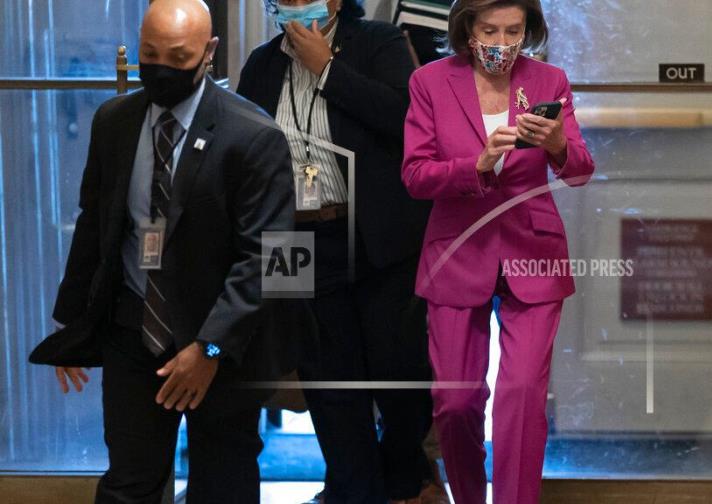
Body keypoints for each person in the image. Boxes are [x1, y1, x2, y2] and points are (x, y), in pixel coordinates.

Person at [32, 0, 299, 502]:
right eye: (148, 54)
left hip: (224, 345)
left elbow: (272, 258)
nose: (160, 68)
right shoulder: (114, 121)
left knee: (222, 485)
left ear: (208, 53)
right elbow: (97, 226)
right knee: (128, 483)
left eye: (177, 57)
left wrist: (209, 348)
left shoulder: (254, 134)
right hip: (135, 332)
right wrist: (73, 320)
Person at [236, 1, 434, 503]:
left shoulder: (376, 43)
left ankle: (403, 475)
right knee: (327, 384)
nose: (296, 5)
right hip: (295, 240)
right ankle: (353, 488)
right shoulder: (261, 63)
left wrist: (327, 68)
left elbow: (405, 119)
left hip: (376, 234)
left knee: (399, 372)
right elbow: (242, 152)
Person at [401, 0, 596, 502]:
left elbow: (579, 172)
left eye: (514, 31)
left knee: (522, 396)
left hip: (534, 251)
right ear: (467, 29)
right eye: (490, 30)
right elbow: (415, 176)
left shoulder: (550, 80)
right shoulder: (429, 81)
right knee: (454, 404)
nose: (502, 43)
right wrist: (477, 164)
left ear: (528, 30)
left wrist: (556, 144)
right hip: (457, 251)